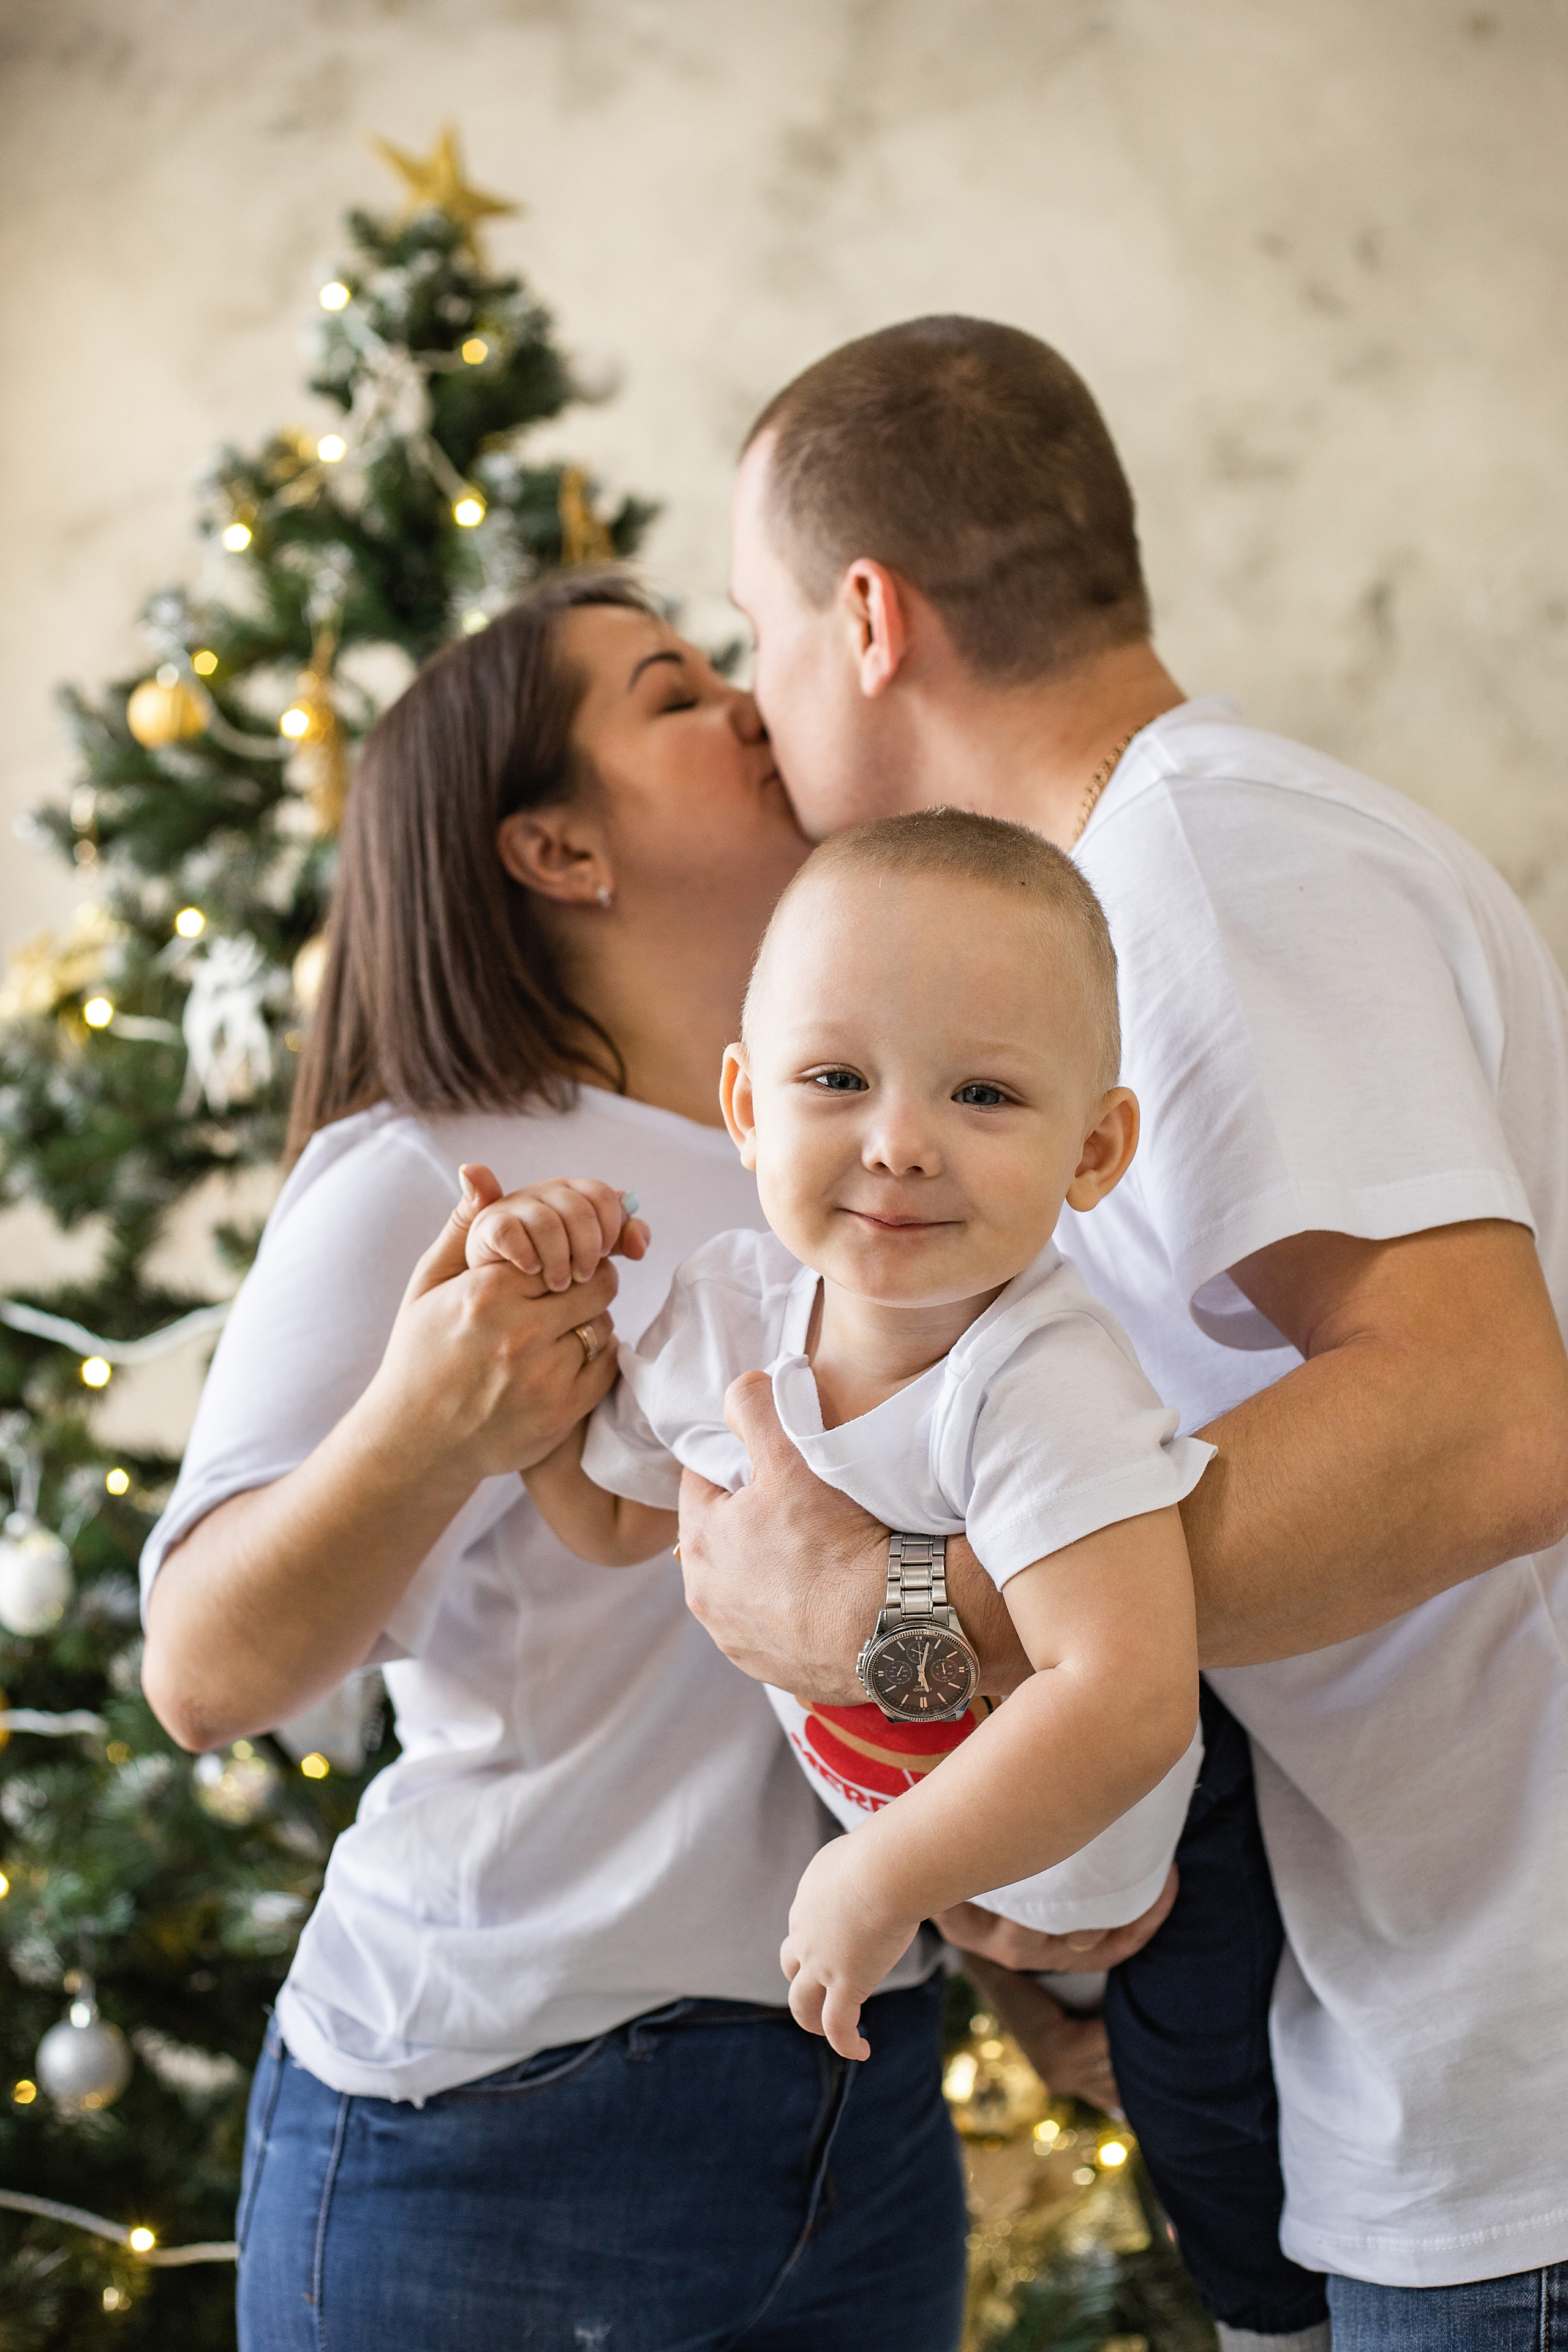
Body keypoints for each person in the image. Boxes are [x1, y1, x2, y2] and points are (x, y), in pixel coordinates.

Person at [673, 315, 1568, 2352]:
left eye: (758, 628)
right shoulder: (1128, 899)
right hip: (1419, 2021)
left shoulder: (1208, 862)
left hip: (1520, 2054)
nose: (752, 696)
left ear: (870, 617)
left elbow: (1491, 1422)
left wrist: (907, 1617)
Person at [138, 574, 971, 2352]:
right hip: (503, 2130)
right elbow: (204, 1674)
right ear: (558, 852)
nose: (753, 701)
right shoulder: (422, 1174)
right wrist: (432, 1426)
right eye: (675, 691)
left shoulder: (870, 1161)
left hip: (865, 2096)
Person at [465, 809, 1210, 2060]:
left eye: (982, 1092)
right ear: (746, 1106)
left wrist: (880, 1879)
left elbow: (1127, 1700)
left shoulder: (1039, 1382)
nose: (900, 1144)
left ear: (1092, 1150)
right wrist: (538, 1318)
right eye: (835, 1080)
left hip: (1117, 1909)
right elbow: (609, 1520)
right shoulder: (725, 1316)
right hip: (926, 1894)